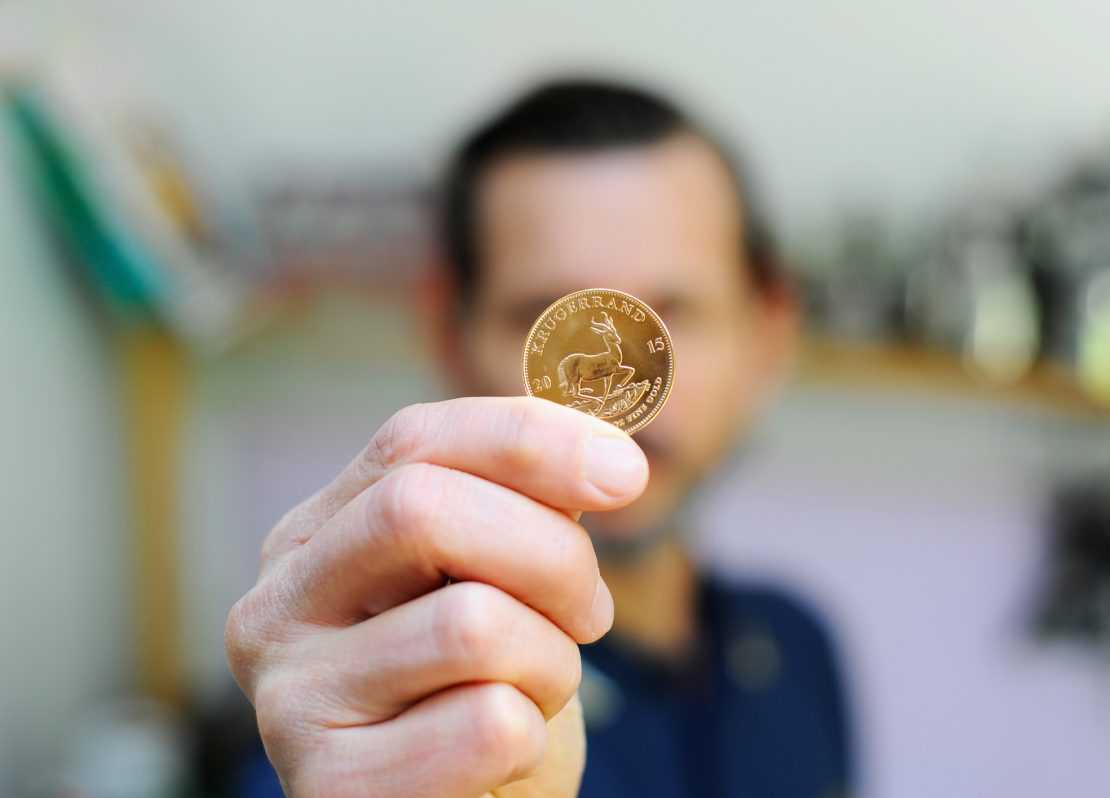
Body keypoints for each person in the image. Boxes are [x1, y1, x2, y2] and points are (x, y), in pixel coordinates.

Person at [225, 78, 854, 798]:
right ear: (448, 333)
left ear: (768, 332)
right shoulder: (381, 702)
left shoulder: (799, 647)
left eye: (674, 312)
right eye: (549, 315)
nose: (624, 412)